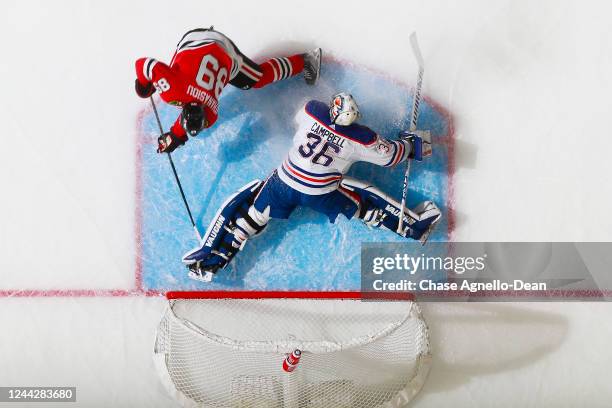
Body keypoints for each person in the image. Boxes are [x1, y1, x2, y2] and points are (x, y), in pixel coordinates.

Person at [182, 93, 442, 282]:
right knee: (366, 201)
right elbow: (391, 156)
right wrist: (412, 145)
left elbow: (301, 122)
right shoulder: (361, 136)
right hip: (320, 192)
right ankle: (415, 228)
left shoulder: (311, 110)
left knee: (248, 218)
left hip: (282, 183)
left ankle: (211, 263)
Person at [135, 27, 322, 153]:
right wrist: (145, 84)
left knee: (257, 79)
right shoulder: (172, 91)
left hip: (217, 50)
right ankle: (307, 60)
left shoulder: (209, 115)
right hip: (202, 44)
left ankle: (308, 61)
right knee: (256, 78)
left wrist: (175, 137)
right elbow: (145, 64)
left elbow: (143, 64)